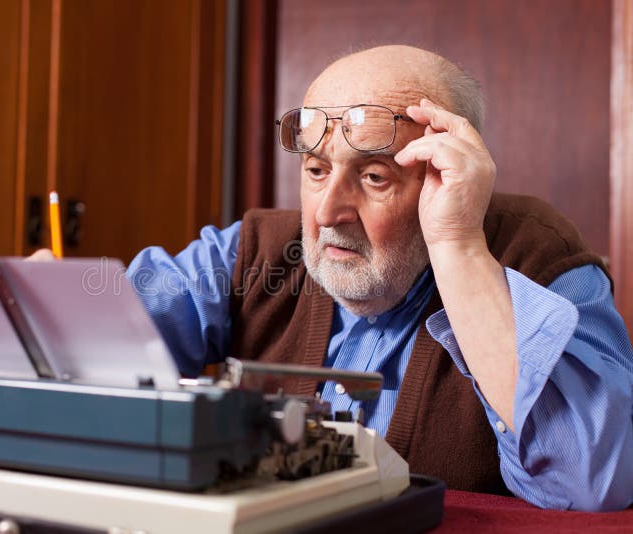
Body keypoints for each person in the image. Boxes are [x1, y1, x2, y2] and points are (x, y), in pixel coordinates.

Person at [34, 45, 633, 511]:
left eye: (374, 177)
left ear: (446, 174)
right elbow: (107, 330)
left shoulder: (541, 256)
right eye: (316, 170)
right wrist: (47, 311)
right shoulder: (254, 253)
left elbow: (592, 483)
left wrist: (458, 246)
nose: (326, 213)